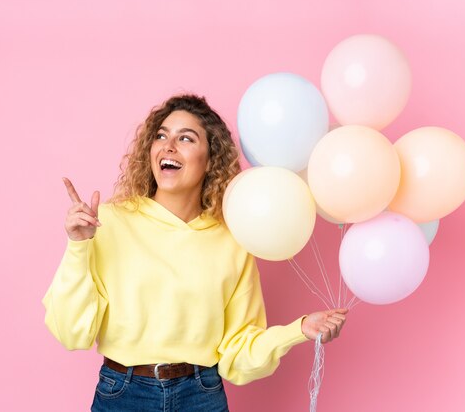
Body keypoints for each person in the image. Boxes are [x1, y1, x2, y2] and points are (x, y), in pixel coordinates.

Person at [42, 94, 347, 411]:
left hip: (201, 395)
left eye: (185, 138)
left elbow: (238, 354)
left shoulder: (231, 240)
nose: (168, 146)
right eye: (161, 135)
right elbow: (71, 332)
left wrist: (298, 330)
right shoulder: (108, 222)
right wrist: (78, 244)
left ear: (210, 159)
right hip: (123, 394)